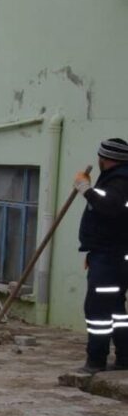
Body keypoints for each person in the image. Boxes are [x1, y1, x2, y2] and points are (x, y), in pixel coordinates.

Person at [74, 138, 128, 373]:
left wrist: (86, 190)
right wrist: (92, 251)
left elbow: (110, 208)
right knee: (116, 310)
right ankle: (125, 358)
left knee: (97, 310)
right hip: (109, 254)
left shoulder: (120, 180)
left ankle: (96, 360)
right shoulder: (118, 178)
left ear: (105, 159)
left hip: (112, 257)